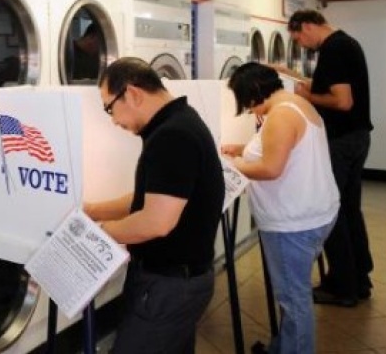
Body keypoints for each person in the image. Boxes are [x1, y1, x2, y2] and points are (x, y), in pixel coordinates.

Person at [83, 57, 224, 353]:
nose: (113, 120)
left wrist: (96, 235)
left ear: (133, 93)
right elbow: (150, 199)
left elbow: (156, 221)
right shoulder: (180, 122)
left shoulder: (171, 137)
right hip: (180, 281)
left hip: (169, 287)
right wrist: (92, 211)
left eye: (110, 108)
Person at [222, 62, 339, 354]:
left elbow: (271, 168)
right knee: (294, 293)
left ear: (253, 93)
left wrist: (232, 165)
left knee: (293, 299)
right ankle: (284, 347)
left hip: (293, 223)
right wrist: (243, 149)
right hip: (315, 213)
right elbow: (282, 149)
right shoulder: (296, 104)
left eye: (247, 104)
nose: (249, 111)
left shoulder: (281, 116)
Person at [274, 9, 374, 307]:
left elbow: (342, 102)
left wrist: (305, 97)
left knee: (331, 213)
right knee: (350, 210)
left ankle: (342, 288)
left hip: (341, 141)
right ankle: (359, 280)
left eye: (300, 38)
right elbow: (331, 86)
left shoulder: (333, 49)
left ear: (307, 25)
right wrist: (293, 77)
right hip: (357, 138)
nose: (302, 45)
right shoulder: (347, 43)